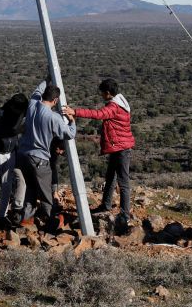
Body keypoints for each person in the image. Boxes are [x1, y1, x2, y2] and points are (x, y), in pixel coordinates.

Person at [12, 80, 76, 231]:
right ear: (55, 100)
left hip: (22, 156)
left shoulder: (33, 105)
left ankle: (26, 220)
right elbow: (69, 134)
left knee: (30, 189)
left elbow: (37, 90)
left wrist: (47, 79)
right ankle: (51, 222)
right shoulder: (54, 117)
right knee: (46, 193)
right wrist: (72, 121)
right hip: (39, 159)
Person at [73, 78, 135, 226]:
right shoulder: (121, 101)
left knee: (123, 182)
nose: (101, 95)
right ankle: (106, 205)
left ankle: (125, 214)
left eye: (102, 93)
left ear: (108, 93)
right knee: (111, 178)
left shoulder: (114, 107)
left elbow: (98, 114)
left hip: (121, 148)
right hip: (118, 147)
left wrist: (75, 112)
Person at [0, 92, 28, 223]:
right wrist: (21, 124)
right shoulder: (0, 113)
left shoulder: (16, 112)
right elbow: (9, 130)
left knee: (7, 187)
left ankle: (2, 216)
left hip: (10, 152)